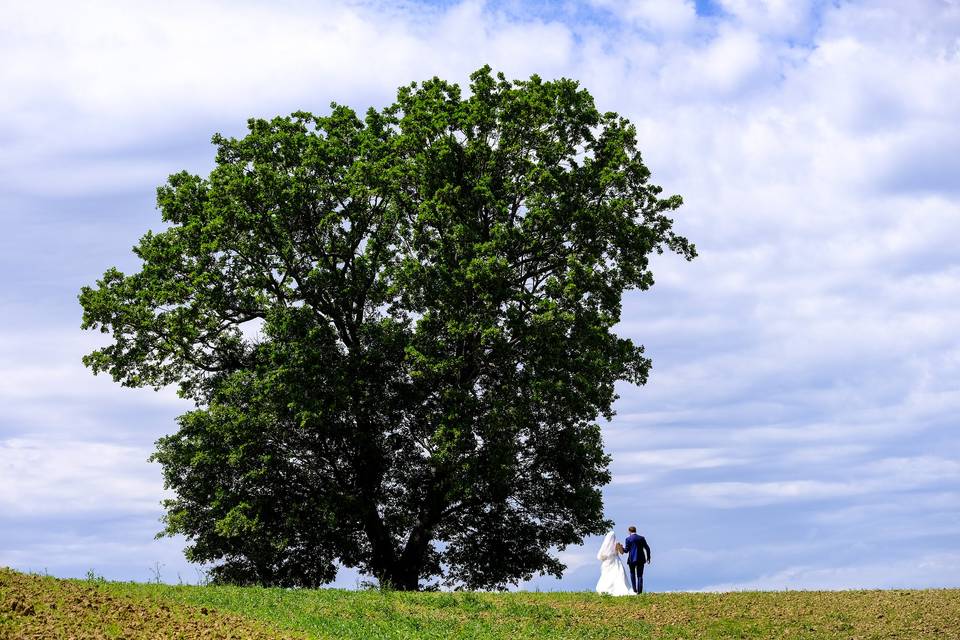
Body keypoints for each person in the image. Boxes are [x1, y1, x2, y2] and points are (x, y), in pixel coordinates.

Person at [594, 531, 634, 596]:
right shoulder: (617, 544)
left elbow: (601, 555)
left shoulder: (605, 545)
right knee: (618, 574)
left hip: (607, 562)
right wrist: (621, 547)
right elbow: (622, 552)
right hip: (615, 561)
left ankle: (606, 588)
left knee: (607, 575)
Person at [623, 525, 651, 593]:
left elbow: (626, 550)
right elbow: (647, 548)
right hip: (641, 559)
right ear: (635, 531)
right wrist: (648, 557)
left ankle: (634, 590)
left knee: (632, 574)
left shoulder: (628, 539)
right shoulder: (641, 538)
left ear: (629, 531)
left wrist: (621, 548)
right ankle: (640, 591)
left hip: (631, 559)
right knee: (640, 575)